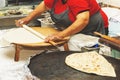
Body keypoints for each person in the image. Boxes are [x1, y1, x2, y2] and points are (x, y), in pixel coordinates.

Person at [15, 0, 108, 43]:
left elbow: (83, 20)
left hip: (92, 30)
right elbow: (44, 5)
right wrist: (28, 18)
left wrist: (60, 35)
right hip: (76, 30)